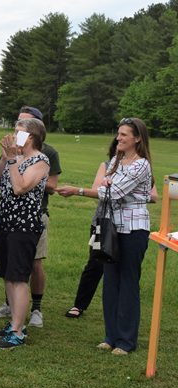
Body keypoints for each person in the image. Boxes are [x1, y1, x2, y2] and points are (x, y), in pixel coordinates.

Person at [56, 118, 152, 354]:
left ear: (137, 138)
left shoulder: (141, 165)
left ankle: (126, 342)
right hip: (111, 228)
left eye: (124, 135)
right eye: (118, 134)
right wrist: (106, 184)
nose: (118, 138)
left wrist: (77, 190)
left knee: (127, 284)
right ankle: (111, 337)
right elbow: (105, 186)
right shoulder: (117, 161)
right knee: (110, 282)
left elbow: (114, 192)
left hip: (133, 230)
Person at [0, 106, 61, 329]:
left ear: (31, 136)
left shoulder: (40, 161)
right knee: (7, 276)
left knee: (18, 278)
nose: (13, 136)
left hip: (23, 226)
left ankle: (17, 331)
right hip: (5, 223)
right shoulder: (15, 159)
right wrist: (5, 160)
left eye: (18, 132)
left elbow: (20, 187)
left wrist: (12, 160)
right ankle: (15, 323)